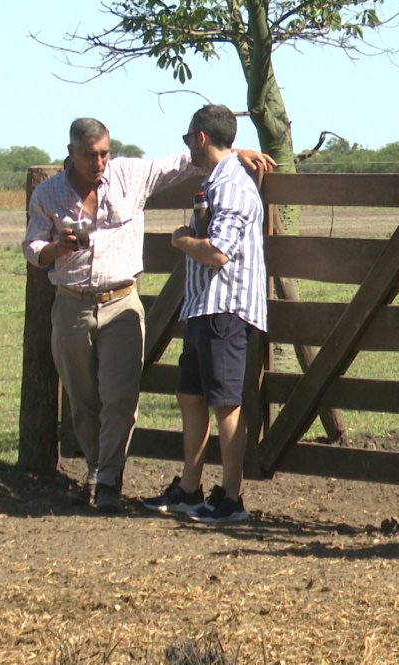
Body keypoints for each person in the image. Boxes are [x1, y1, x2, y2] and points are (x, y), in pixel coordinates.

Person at [24, 117, 274, 513]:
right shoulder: (48, 193)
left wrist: (233, 153)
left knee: (121, 397)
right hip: (71, 301)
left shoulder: (130, 174)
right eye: (91, 155)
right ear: (70, 152)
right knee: (82, 398)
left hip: (122, 300)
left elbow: (182, 163)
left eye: (105, 152)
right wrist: (56, 249)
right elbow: (33, 246)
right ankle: (101, 468)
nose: (100, 161)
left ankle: (108, 481)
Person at [142, 104, 267, 524]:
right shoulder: (219, 179)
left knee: (226, 403)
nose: (187, 148)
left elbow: (217, 252)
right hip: (205, 306)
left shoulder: (232, 188)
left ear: (200, 138)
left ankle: (232, 499)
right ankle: (190, 488)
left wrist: (180, 241)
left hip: (225, 306)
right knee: (191, 395)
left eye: (187, 139)